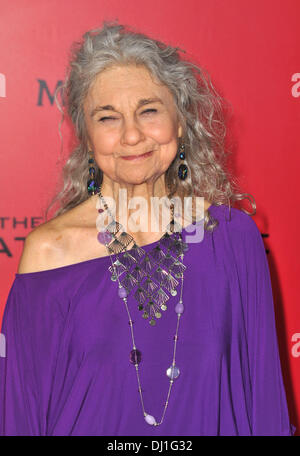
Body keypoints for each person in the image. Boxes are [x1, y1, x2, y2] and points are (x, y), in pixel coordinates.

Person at [0, 21, 295, 436]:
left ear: (179, 122)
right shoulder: (50, 252)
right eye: (108, 118)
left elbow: (265, 410)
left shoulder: (232, 240)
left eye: (149, 110)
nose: (132, 135)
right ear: (87, 137)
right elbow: (20, 418)